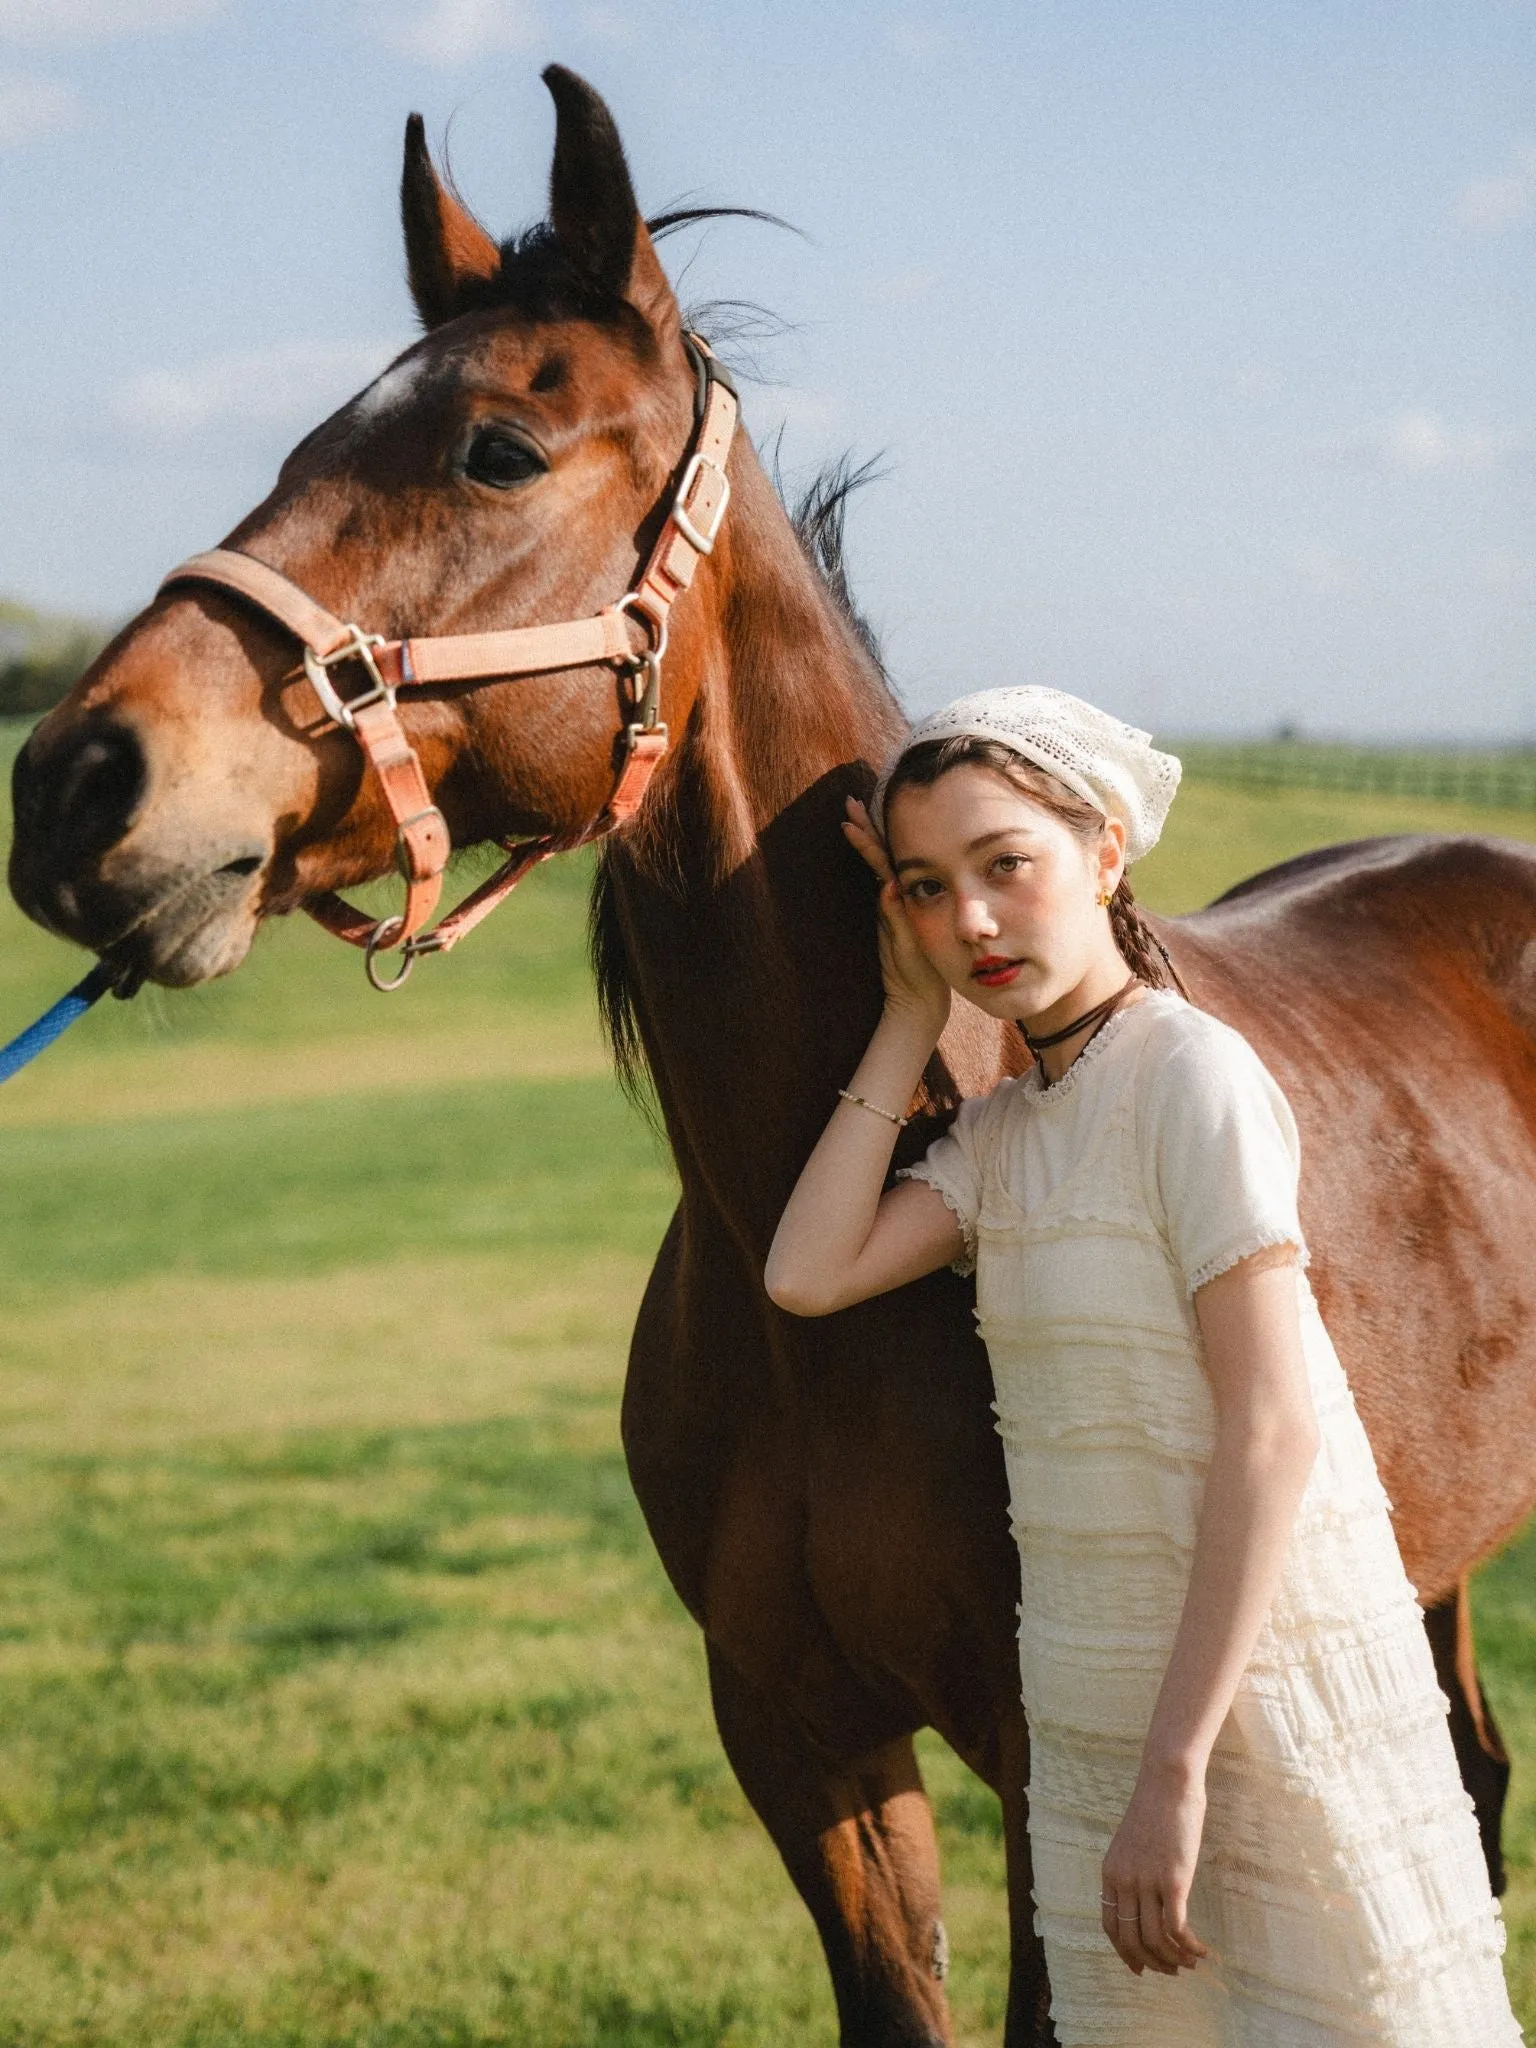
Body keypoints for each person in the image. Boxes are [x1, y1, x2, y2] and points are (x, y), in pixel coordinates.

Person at [765, 686, 1521, 2046]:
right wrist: (901, 1021)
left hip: (1251, 1686)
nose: (975, 922)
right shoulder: (1007, 1139)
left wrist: (1176, 1773)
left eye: (1009, 867)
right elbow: (803, 1273)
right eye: (928, 890)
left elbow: (1275, 1430)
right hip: (1098, 1692)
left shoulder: (1192, 1078)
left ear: (1105, 851)